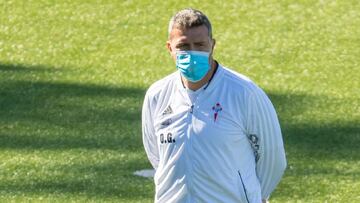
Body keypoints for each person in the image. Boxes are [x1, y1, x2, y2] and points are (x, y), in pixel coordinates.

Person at [142, 8, 286, 203]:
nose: (192, 53)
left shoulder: (244, 93)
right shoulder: (157, 95)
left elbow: (272, 157)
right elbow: (157, 156)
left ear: (212, 45)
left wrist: (255, 196)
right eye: (184, 46)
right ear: (170, 48)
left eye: (200, 45)